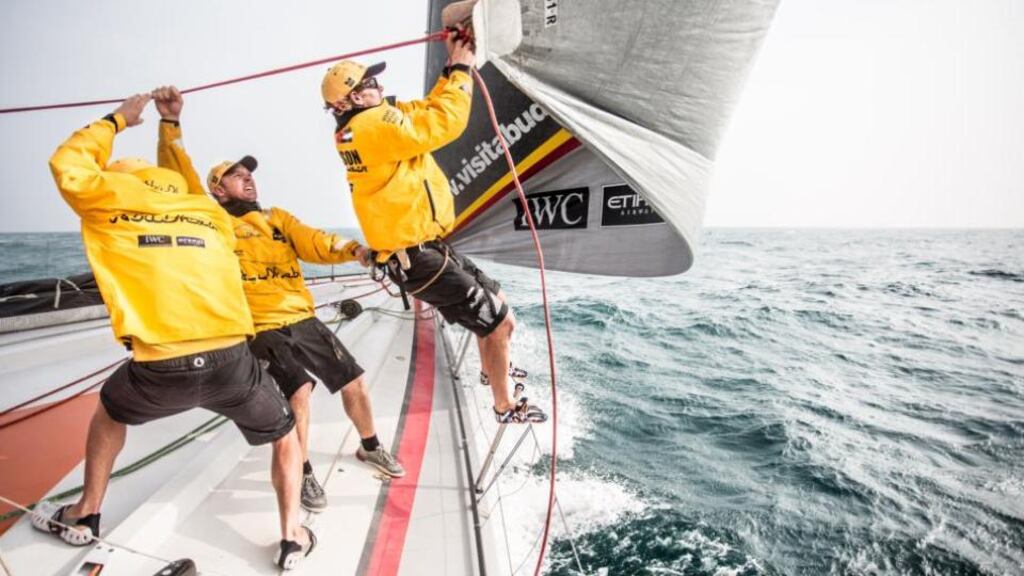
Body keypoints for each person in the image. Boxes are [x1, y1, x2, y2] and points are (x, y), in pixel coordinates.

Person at [38, 94, 315, 570]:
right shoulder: (208, 214)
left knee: (109, 412)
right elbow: (187, 182)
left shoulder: (107, 200)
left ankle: (85, 514)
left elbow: (68, 163)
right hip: (233, 363)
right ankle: (291, 537)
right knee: (285, 434)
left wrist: (118, 121)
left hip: (158, 369)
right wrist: (171, 125)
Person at [151, 86, 405, 513]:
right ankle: (303, 471)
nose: (248, 177)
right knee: (300, 391)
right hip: (260, 326)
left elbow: (314, 240)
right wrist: (171, 124)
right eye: (236, 175)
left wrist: (355, 250)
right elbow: (181, 180)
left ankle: (369, 446)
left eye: (249, 173)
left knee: (354, 381)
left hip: (300, 318)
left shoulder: (277, 219)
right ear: (217, 190)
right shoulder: (213, 221)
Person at [320, 29, 545, 424]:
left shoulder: (362, 126)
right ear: (353, 98)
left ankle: (492, 370)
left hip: (427, 249)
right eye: (372, 83)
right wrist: (461, 69)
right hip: (417, 258)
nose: (381, 86)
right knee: (494, 321)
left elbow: (422, 110)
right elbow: (443, 124)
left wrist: (448, 68)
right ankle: (503, 406)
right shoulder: (372, 126)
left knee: (501, 313)